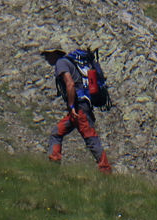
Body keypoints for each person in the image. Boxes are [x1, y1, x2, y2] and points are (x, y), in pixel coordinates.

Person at [42, 44, 111, 173]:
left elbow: (70, 83)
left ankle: (105, 170)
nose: (46, 58)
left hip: (79, 108)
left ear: (56, 53)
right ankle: (53, 166)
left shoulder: (61, 63)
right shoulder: (70, 62)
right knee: (56, 132)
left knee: (90, 138)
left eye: (47, 54)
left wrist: (72, 106)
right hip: (81, 106)